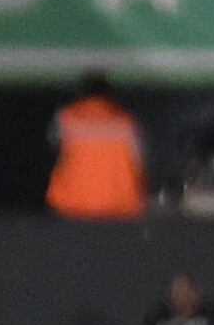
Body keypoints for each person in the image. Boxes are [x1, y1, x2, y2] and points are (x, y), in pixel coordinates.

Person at [47, 72, 145, 219]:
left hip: (71, 207)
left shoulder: (65, 118)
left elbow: (53, 145)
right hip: (121, 208)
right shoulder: (127, 123)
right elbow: (141, 161)